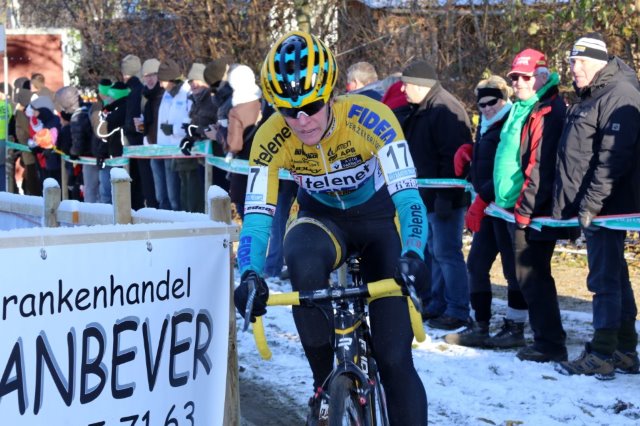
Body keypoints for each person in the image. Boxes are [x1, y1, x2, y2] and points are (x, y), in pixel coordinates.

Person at [233, 31, 429, 425]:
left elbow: (409, 198)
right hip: (321, 222)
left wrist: (413, 251)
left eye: (311, 106)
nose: (301, 120)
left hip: (378, 223)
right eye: (289, 111)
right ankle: (325, 384)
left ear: (331, 96)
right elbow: (257, 216)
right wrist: (250, 272)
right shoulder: (269, 137)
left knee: (394, 358)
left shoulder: (373, 118)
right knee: (300, 256)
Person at [552, 33, 640, 378]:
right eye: (571, 62)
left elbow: (612, 159)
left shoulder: (620, 93)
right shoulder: (596, 93)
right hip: (601, 203)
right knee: (614, 274)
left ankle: (602, 352)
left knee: (603, 278)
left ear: (598, 63)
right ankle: (625, 349)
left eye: (579, 62)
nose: (573, 69)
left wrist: (590, 204)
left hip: (609, 204)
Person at [493, 48, 576, 363]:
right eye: (514, 77)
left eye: (525, 77)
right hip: (512, 206)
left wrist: (525, 210)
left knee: (534, 276)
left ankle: (550, 343)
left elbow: (540, 165)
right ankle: (544, 338)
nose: (518, 83)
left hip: (532, 211)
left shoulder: (547, 110)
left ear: (541, 77)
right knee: (524, 276)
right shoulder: (520, 107)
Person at [444, 76, 528, 348]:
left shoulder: (512, 122)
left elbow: (509, 169)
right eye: (482, 104)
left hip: (505, 206)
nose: (488, 108)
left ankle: (515, 327)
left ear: (504, 99)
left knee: (512, 270)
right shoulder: (485, 124)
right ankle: (479, 323)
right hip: (488, 206)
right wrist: (470, 153)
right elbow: (487, 159)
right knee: (476, 265)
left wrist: (483, 198)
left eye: (493, 102)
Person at [400, 60, 472, 329]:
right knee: (434, 251)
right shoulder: (422, 109)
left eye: (406, 84)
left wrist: (446, 197)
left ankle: (458, 309)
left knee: (447, 253)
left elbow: (454, 156)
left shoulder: (444, 109)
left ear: (421, 85)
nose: (403, 90)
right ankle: (437, 303)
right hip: (427, 196)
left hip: (445, 198)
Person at [224, 64, 262, 219]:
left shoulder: (237, 111)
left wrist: (219, 134)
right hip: (264, 165)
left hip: (243, 171)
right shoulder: (263, 104)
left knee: (246, 213)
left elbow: (234, 144)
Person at [121, 54, 158, 209]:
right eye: (147, 75)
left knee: (146, 185)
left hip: (141, 145)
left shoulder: (135, 92)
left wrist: (131, 128)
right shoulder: (142, 91)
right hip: (144, 143)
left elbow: (131, 120)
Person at [54, 85, 99, 203]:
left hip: (89, 157)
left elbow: (78, 141)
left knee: (90, 189)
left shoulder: (76, 118)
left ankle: (90, 212)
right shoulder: (88, 108)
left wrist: (73, 153)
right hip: (98, 153)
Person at [156, 58, 191, 211]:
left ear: (171, 79)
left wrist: (174, 129)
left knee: (177, 196)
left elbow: (189, 121)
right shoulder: (167, 94)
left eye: (162, 81)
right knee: (166, 196)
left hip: (180, 150)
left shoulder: (186, 93)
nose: (160, 85)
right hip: (165, 149)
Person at [140, 58, 170, 209]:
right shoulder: (146, 98)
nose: (150, 79)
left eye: (153, 75)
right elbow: (148, 126)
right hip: (153, 150)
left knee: (171, 196)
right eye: (146, 75)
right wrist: (141, 127)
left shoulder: (166, 95)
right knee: (160, 195)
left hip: (168, 150)